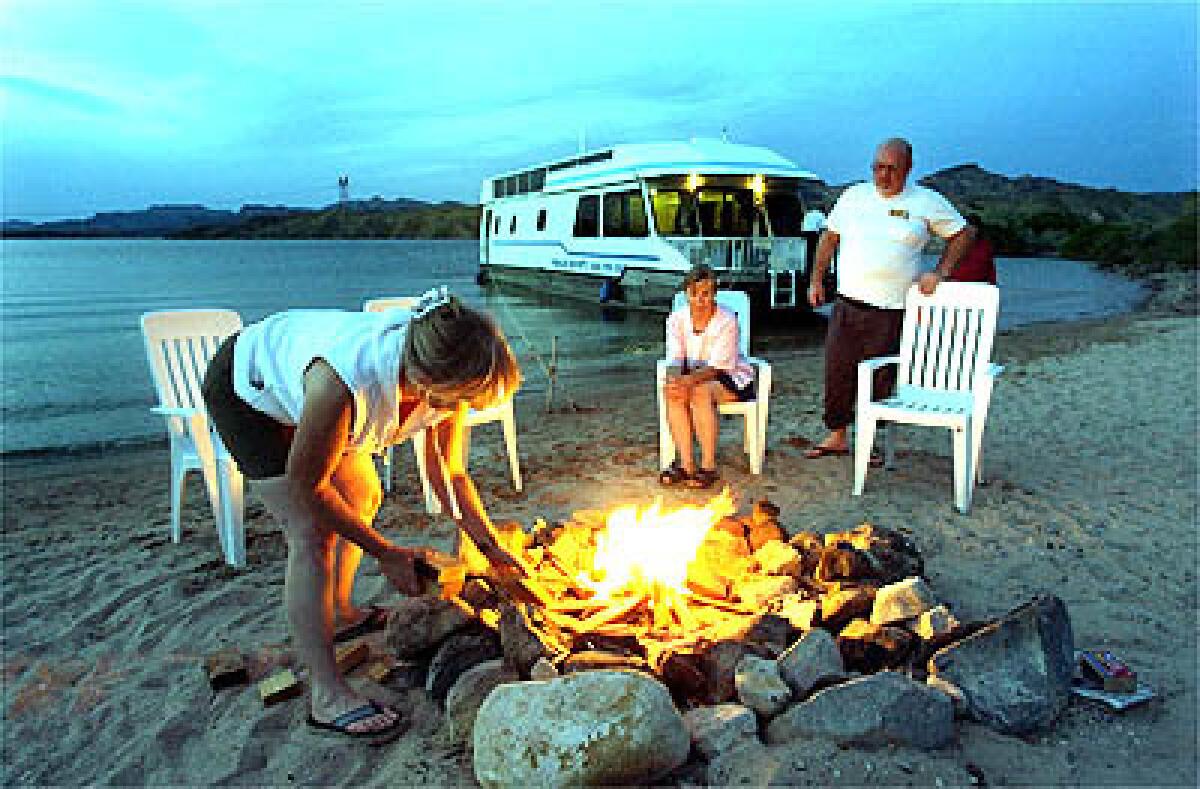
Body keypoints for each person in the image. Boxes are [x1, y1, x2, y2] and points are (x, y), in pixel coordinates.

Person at [200, 287, 525, 741]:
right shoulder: (348, 380)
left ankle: (341, 612)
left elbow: (449, 476)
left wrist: (491, 547)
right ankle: (327, 695)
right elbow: (305, 486)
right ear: (434, 383)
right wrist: (387, 553)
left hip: (302, 382)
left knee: (363, 492)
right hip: (246, 389)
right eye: (468, 399)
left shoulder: (443, 383)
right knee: (310, 533)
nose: (469, 409)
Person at [805, 137, 975, 459]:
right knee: (837, 371)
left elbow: (964, 234)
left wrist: (940, 273)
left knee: (880, 378)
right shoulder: (854, 196)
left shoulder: (925, 201)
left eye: (891, 169)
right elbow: (829, 238)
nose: (883, 176)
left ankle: (871, 442)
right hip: (846, 304)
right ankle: (837, 435)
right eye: (878, 168)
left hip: (891, 310)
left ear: (907, 169)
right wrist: (816, 279)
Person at [659, 264, 755, 489]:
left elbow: (718, 367)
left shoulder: (727, 319)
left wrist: (688, 381)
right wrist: (675, 380)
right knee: (672, 393)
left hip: (729, 377)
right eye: (694, 294)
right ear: (687, 294)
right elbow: (675, 358)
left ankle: (708, 466)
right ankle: (686, 465)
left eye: (706, 294)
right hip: (692, 375)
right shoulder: (677, 319)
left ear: (714, 294)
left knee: (700, 392)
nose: (700, 300)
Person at [946, 213, 998, 284]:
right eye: (967, 227)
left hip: (979, 284)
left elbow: (990, 268)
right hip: (956, 284)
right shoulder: (955, 243)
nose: (970, 229)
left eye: (973, 227)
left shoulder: (985, 245)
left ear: (978, 229)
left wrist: (992, 284)